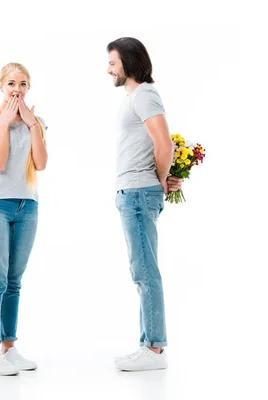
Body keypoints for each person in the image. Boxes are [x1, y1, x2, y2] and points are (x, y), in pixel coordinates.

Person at [107, 37, 183, 371]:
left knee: (144, 271)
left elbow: (163, 143)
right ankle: (150, 346)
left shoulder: (146, 94)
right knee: (141, 270)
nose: (108, 69)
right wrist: (160, 179)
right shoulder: (135, 98)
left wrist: (159, 180)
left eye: (112, 63)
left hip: (139, 193)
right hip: (133, 193)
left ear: (129, 62)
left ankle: (153, 350)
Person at [0, 62, 47, 376]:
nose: (17, 90)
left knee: (14, 282)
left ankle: (9, 347)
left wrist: (32, 125)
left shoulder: (37, 122)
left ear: (28, 88)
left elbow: (41, 164)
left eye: (22, 84)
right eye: (11, 84)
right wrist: (5, 124)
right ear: (2, 87)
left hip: (27, 206)